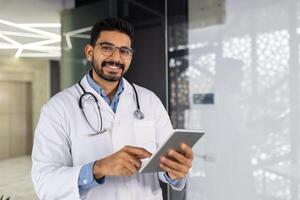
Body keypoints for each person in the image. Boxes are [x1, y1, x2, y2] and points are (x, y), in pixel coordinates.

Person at [31, 17, 193, 200]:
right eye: (107, 48)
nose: (116, 58)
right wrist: (98, 168)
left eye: (124, 51)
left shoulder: (149, 101)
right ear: (90, 52)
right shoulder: (58, 108)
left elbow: (165, 165)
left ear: (131, 56)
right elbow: (43, 182)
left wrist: (175, 171)